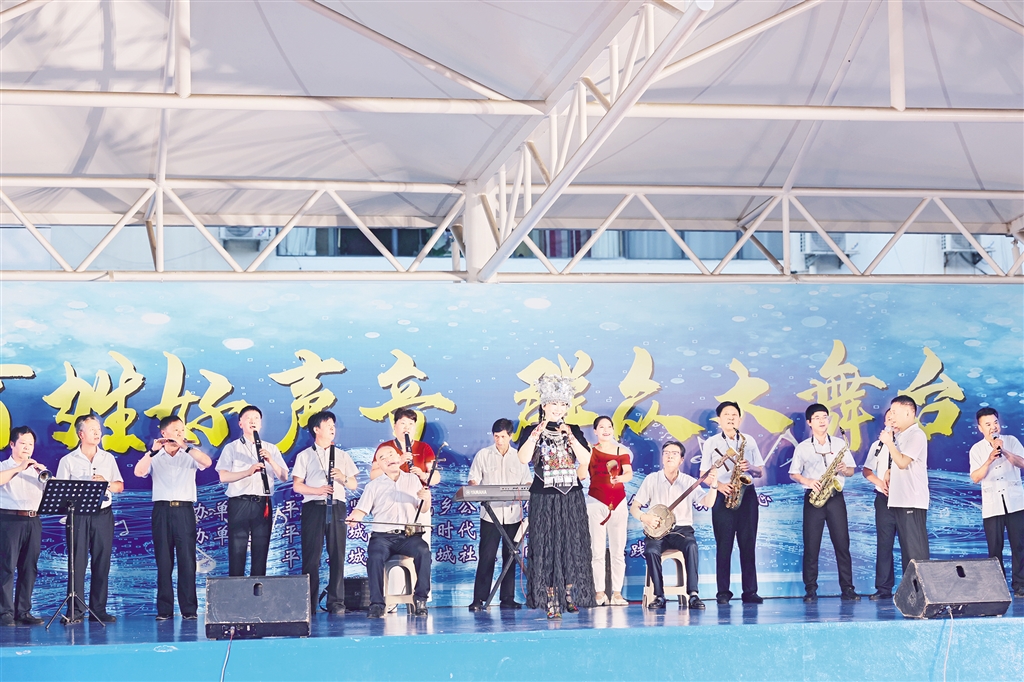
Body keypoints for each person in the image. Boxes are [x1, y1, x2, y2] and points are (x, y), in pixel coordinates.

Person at [516, 374, 595, 619]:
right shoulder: (531, 430)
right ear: (544, 405)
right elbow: (523, 458)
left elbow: (586, 459)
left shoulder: (573, 430)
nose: (558, 408)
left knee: (571, 545)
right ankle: (550, 599)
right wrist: (535, 434)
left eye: (562, 404)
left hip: (570, 497)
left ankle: (569, 595)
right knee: (547, 547)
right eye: (554, 404)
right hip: (544, 497)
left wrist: (570, 435)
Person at [134, 416, 212, 621]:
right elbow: (138, 472)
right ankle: (164, 610)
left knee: (187, 561)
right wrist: (152, 452)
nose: (180, 433)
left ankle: (189, 610)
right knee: (164, 561)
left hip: (184, 511)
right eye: (175, 430)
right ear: (164, 433)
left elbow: (207, 462)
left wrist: (185, 446)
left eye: (182, 430)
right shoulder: (155, 455)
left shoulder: (189, 454)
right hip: (161, 511)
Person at [347, 445, 431, 618]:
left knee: (423, 550)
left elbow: (423, 509)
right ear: (379, 465)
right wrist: (353, 518)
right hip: (382, 537)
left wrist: (427, 499)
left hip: (408, 536)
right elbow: (361, 510)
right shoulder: (373, 486)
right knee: (375, 557)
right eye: (382, 458)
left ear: (399, 457)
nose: (388, 459)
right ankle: (377, 604)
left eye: (391, 454)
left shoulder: (413, 479)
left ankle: (421, 599)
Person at [632, 440, 716, 610]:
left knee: (691, 546)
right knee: (651, 550)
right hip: (657, 530)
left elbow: (708, 502)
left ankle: (693, 594)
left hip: (682, 530)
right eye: (666, 453)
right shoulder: (651, 479)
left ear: (681, 459)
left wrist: (714, 485)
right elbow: (635, 507)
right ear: (662, 457)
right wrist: (645, 517)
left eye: (674, 453)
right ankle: (659, 595)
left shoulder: (689, 481)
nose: (670, 456)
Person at [56, 414, 124, 623]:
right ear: (81, 434)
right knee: (76, 563)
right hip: (78, 516)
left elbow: (119, 486)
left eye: (99, 429)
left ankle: (98, 610)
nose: (97, 433)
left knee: (102, 562)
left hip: (103, 515)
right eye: (92, 430)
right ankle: (75, 611)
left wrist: (106, 483)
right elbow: (59, 492)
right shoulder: (68, 460)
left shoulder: (108, 458)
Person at [789, 404, 859, 602]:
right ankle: (810, 589)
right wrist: (808, 481)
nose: (822, 421)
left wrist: (844, 469)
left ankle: (848, 588)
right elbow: (793, 473)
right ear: (809, 422)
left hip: (836, 497)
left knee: (842, 544)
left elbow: (851, 471)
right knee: (812, 546)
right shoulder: (803, 447)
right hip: (814, 498)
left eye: (825, 417)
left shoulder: (839, 444)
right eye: (817, 417)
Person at [292, 411, 358, 615]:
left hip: (337, 507)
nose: (332, 429)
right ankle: (309, 604)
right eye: (328, 425)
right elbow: (297, 486)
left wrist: (342, 478)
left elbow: (353, 484)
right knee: (311, 557)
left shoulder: (342, 455)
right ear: (316, 429)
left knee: (337, 555)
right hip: (314, 507)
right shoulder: (304, 455)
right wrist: (317, 490)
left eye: (333, 426)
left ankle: (336, 602)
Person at [700, 401, 765, 604]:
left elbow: (760, 471)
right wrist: (719, 485)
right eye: (726, 414)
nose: (731, 418)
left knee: (748, 544)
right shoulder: (711, 443)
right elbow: (703, 474)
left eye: (734, 414)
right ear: (719, 420)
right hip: (723, 495)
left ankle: (750, 591)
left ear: (740, 419)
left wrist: (750, 467)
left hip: (747, 495)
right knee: (724, 545)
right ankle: (723, 592)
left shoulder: (748, 441)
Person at [467, 418, 532, 611]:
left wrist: (527, 490)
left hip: (513, 514)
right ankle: (479, 599)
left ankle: (507, 598)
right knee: (486, 556)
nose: (499, 440)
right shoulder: (483, 455)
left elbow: (528, 482)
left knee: (510, 556)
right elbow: (473, 480)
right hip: (490, 514)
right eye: (496, 436)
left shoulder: (519, 456)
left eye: (503, 436)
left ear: (510, 436)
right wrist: (475, 488)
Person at [216, 405, 288, 577]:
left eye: (256, 418)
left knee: (261, 550)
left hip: (263, 503)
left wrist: (271, 460)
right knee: (237, 549)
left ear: (261, 424)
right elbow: (223, 477)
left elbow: (284, 477)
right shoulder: (232, 448)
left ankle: (258, 589)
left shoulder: (271, 448)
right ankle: (236, 590)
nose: (252, 421)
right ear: (240, 423)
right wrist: (247, 472)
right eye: (248, 418)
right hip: (239, 502)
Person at [969, 407, 1024, 597]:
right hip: (992, 506)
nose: (993, 427)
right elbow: (975, 477)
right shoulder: (976, 449)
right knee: (994, 548)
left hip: (1016, 503)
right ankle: (997, 587)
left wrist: (1003, 450)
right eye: (988, 424)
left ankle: (1020, 585)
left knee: (1019, 545)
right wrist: (989, 460)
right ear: (980, 428)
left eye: (995, 422)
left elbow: (1022, 463)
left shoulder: (1011, 441)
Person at [580, 415, 632, 606]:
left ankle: (617, 593)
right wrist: (584, 460)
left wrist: (620, 478)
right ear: (595, 431)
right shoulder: (589, 451)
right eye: (601, 427)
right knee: (597, 551)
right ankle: (600, 592)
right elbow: (581, 474)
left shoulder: (621, 451)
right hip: (596, 502)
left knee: (618, 551)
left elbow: (629, 473)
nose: (606, 430)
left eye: (609, 426)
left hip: (618, 503)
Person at [0, 427, 47, 626]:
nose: (27, 448)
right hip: (9, 520)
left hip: (33, 520)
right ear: (12, 444)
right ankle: (4, 612)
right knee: (7, 567)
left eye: (31, 444)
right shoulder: (4, 466)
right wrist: (19, 468)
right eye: (23, 443)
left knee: (29, 568)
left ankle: (23, 611)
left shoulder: (37, 469)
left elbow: (53, 491)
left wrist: (44, 473)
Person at [880, 395, 929, 575]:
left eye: (895, 412)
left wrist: (889, 442)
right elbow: (900, 464)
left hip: (912, 502)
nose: (891, 417)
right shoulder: (902, 435)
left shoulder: (917, 434)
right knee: (907, 556)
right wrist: (889, 471)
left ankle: (923, 590)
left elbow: (903, 462)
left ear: (909, 412)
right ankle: (911, 590)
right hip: (899, 501)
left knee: (916, 554)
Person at [862, 409, 899, 600]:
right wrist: (880, 483)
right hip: (883, 499)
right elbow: (867, 470)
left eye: (895, 417)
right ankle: (884, 588)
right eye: (888, 418)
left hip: (904, 499)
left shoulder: (907, 442)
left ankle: (914, 587)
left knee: (909, 544)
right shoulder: (877, 445)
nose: (891, 421)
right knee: (884, 544)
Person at [369, 408, 439, 486]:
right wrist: (398, 462)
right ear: (394, 426)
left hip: (418, 492)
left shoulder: (424, 447)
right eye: (403, 423)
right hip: (390, 492)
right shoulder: (385, 447)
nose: (407, 427)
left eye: (411, 424)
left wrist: (422, 475)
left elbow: (436, 477)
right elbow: (373, 476)